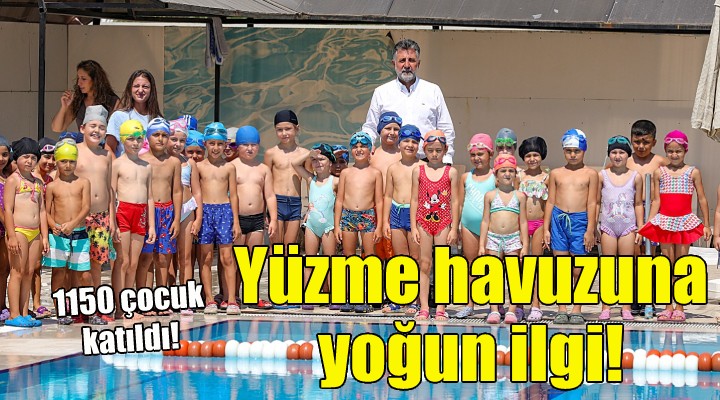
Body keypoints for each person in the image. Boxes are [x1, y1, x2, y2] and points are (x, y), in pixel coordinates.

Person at [638, 130, 711, 322]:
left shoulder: (693, 172)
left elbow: (702, 199)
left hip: (684, 221)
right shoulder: (659, 172)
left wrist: (706, 224)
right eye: (670, 151)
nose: (674, 154)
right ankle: (667, 306)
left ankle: (680, 306)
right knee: (666, 264)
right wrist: (648, 223)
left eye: (678, 151)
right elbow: (656, 201)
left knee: (681, 263)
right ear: (665, 151)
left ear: (685, 151)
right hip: (665, 221)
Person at [362, 38, 456, 163]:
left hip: (427, 163)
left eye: (411, 60)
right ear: (394, 64)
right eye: (402, 60)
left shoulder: (433, 90)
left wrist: (447, 157)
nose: (406, 65)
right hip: (391, 162)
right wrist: (367, 146)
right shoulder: (381, 92)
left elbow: (446, 128)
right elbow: (371, 126)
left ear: (418, 63)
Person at [543, 129, 598, 324]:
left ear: (584, 150)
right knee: (562, 266)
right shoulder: (556, 173)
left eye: (576, 151)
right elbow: (550, 201)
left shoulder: (591, 174)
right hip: (558, 219)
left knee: (578, 268)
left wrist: (590, 229)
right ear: (563, 151)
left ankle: (577, 308)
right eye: (568, 151)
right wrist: (546, 228)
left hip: (580, 220)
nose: (573, 155)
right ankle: (562, 307)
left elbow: (592, 203)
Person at [410, 130, 459, 321]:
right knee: (424, 264)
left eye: (438, 150)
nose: (435, 154)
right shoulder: (419, 171)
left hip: (443, 222)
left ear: (445, 150)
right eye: (430, 150)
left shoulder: (451, 172)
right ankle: (424, 307)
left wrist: (454, 228)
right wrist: (414, 226)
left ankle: (440, 306)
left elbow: (455, 201)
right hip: (423, 221)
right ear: (425, 150)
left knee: (442, 264)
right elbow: (414, 199)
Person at [42, 140, 91, 325]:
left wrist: (73, 223)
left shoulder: (83, 182)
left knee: (84, 274)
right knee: (59, 273)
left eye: (71, 161)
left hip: (79, 233)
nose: (68, 165)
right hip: (59, 235)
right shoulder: (52, 186)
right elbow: (45, 211)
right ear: (57, 162)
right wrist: (52, 224)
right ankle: (61, 311)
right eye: (63, 161)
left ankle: (88, 310)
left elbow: (86, 207)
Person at [334, 131, 383, 313]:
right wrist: (337, 225)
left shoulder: (375, 173)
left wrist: (379, 226)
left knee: (369, 256)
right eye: (355, 146)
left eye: (363, 146)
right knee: (350, 257)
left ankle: (369, 296)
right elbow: (339, 200)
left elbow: (379, 201)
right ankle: (352, 295)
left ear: (370, 150)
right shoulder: (346, 173)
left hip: (368, 216)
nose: (359, 149)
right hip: (348, 216)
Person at [75, 104, 115, 324]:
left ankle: (97, 307)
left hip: (101, 218)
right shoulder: (74, 152)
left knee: (97, 265)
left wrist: (112, 220)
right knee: (78, 265)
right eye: (92, 126)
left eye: (101, 127)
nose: (96, 130)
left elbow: (109, 188)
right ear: (82, 128)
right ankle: (78, 307)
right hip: (80, 218)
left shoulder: (106, 155)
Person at [111, 120, 156, 319]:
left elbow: (150, 197)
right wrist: (113, 222)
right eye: (131, 139)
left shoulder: (147, 166)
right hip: (123, 211)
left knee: (133, 263)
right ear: (123, 140)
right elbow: (111, 194)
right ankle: (120, 308)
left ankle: (128, 306)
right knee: (123, 261)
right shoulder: (117, 164)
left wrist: (152, 225)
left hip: (141, 213)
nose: (135, 143)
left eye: (139, 139)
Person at [596, 136, 643, 321]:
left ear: (628, 155)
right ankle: (606, 306)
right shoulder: (602, 175)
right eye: (614, 152)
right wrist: (595, 226)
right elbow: (596, 202)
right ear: (609, 154)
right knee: (608, 266)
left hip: (628, 227)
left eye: (621, 152)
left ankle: (626, 307)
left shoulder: (635, 176)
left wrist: (640, 227)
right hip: (608, 226)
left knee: (626, 267)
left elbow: (638, 203)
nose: (617, 156)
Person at [196, 122, 241, 315]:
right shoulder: (198, 166)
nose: (216, 148)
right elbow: (196, 193)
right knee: (205, 258)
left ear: (225, 145)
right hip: (205, 211)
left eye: (220, 144)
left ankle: (231, 299)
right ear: (205, 144)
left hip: (224, 211)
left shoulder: (229, 167)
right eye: (212, 143)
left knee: (227, 258)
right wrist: (198, 218)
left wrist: (236, 221)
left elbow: (234, 195)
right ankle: (209, 299)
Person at [230, 125, 277, 310]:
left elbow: (270, 195)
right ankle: (233, 296)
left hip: (257, 220)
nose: (250, 149)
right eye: (245, 145)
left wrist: (273, 219)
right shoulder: (232, 167)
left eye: (253, 145)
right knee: (236, 260)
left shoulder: (263, 169)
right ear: (238, 146)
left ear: (258, 146)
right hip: (237, 219)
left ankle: (252, 296)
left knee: (254, 261)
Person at [137, 118, 182, 307]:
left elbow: (177, 191)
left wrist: (177, 218)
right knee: (146, 258)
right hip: (147, 213)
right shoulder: (141, 160)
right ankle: (144, 299)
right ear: (148, 137)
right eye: (156, 135)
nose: (160, 139)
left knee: (163, 258)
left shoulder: (174, 162)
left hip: (167, 212)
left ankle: (162, 300)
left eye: (164, 135)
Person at [479, 155, 529, 324]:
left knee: (514, 274)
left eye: (510, 171)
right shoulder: (490, 195)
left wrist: (525, 244)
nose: (507, 174)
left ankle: (512, 311)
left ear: (515, 174)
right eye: (503, 171)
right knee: (494, 274)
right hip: (493, 238)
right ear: (496, 174)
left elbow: (523, 221)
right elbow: (485, 221)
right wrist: (482, 244)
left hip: (513, 238)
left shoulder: (520, 196)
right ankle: (494, 310)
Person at [3, 138, 47, 328]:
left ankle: (23, 312)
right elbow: (8, 210)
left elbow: (42, 211)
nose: (29, 161)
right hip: (19, 231)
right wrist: (11, 235)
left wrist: (44, 236)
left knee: (29, 272)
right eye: (25, 157)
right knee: (17, 272)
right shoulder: (13, 180)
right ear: (17, 158)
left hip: (34, 232)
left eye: (33, 157)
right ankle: (14, 314)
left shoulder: (38, 182)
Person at [625, 119, 668, 315]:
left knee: (651, 256)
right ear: (631, 140)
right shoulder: (625, 160)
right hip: (630, 212)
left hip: (653, 212)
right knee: (634, 255)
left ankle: (647, 295)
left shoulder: (660, 162)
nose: (641, 146)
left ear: (654, 142)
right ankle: (634, 295)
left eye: (646, 142)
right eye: (637, 141)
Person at [381, 125, 422, 314]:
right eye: (406, 141)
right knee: (399, 259)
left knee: (416, 258)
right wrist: (385, 221)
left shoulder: (423, 167)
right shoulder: (393, 168)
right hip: (396, 213)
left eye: (414, 141)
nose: (410, 145)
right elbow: (388, 195)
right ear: (399, 144)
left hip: (416, 215)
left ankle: (414, 300)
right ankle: (399, 297)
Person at [292, 143, 337, 310]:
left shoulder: (335, 181)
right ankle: (309, 295)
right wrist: (308, 154)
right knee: (310, 261)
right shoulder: (311, 180)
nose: (318, 163)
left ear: (330, 162)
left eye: (322, 159)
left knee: (330, 262)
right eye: (315, 160)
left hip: (329, 226)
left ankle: (334, 296)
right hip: (311, 225)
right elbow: (295, 164)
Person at [455, 133, 496, 319]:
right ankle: (469, 304)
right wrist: (457, 226)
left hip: (491, 227)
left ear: (490, 154)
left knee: (491, 265)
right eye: (473, 155)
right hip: (468, 226)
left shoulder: (495, 176)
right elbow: (460, 203)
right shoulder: (466, 177)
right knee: (471, 264)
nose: (476, 158)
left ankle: (494, 305)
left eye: (481, 154)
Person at [167, 118, 202, 315]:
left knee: (185, 257)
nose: (178, 144)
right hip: (167, 210)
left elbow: (197, 192)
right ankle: (170, 296)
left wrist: (198, 218)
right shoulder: (162, 161)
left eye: (182, 141)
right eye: (174, 139)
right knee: (166, 257)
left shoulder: (189, 163)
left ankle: (186, 298)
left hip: (187, 210)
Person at [263, 110, 310, 248]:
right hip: (276, 202)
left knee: (290, 247)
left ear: (297, 128)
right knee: (276, 246)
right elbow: (265, 183)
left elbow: (310, 181)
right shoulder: (271, 153)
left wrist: (311, 206)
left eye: (288, 129)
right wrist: (263, 209)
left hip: (295, 203)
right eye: (279, 130)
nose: (284, 133)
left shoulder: (305, 154)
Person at [517, 136, 548, 321]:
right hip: (520, 224)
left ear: (542, 155)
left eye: (535, 155)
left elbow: (549, 204)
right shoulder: (519, 176)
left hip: (538, 224)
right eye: (528, 155)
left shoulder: (547, 177)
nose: (532, 159)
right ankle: (519, 304)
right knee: (520, 266)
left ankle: (536, 305)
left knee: (535, 265)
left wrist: (547, 229)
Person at [51, 60, 120, 133]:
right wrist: (64, 108)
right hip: (83, 140)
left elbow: (118, 131)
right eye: (78, 78)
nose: (79, 83)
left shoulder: (113, 101)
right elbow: (56, 128)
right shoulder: (78, 100)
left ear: (95, 80)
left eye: (83, 79)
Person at [369, 111, 403, 261]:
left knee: (393, 249)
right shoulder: (371, 155)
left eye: (396, 129)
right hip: (375, 209)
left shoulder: (403, 154)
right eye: (388, 128)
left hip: (395, 208)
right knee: (375, 248)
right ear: (379, 130)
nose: (392, 132)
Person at [30, 137, 57, 319]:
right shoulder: (32, 178)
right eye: (46, 157)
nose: (50, 162)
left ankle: (39, 303)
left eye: (53, 158)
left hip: (46, 228)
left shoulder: (50, 179)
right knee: (32, 267)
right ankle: (32, 304)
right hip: (32, 227)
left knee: (40, 267)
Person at [106, 70, 163, 157]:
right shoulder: (119, 116)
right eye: (136, 86)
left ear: (151, 90)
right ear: (130, 88)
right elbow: (109, 149)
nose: (140, 90)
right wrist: (116, 165)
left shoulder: (157, 120)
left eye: (145, 87)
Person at [0, 136, 12, 322]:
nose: (1, 158)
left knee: (4, 269)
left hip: (5, 229)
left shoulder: (8, 178)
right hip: (5, 225)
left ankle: (1, 305)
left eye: (4, 154)